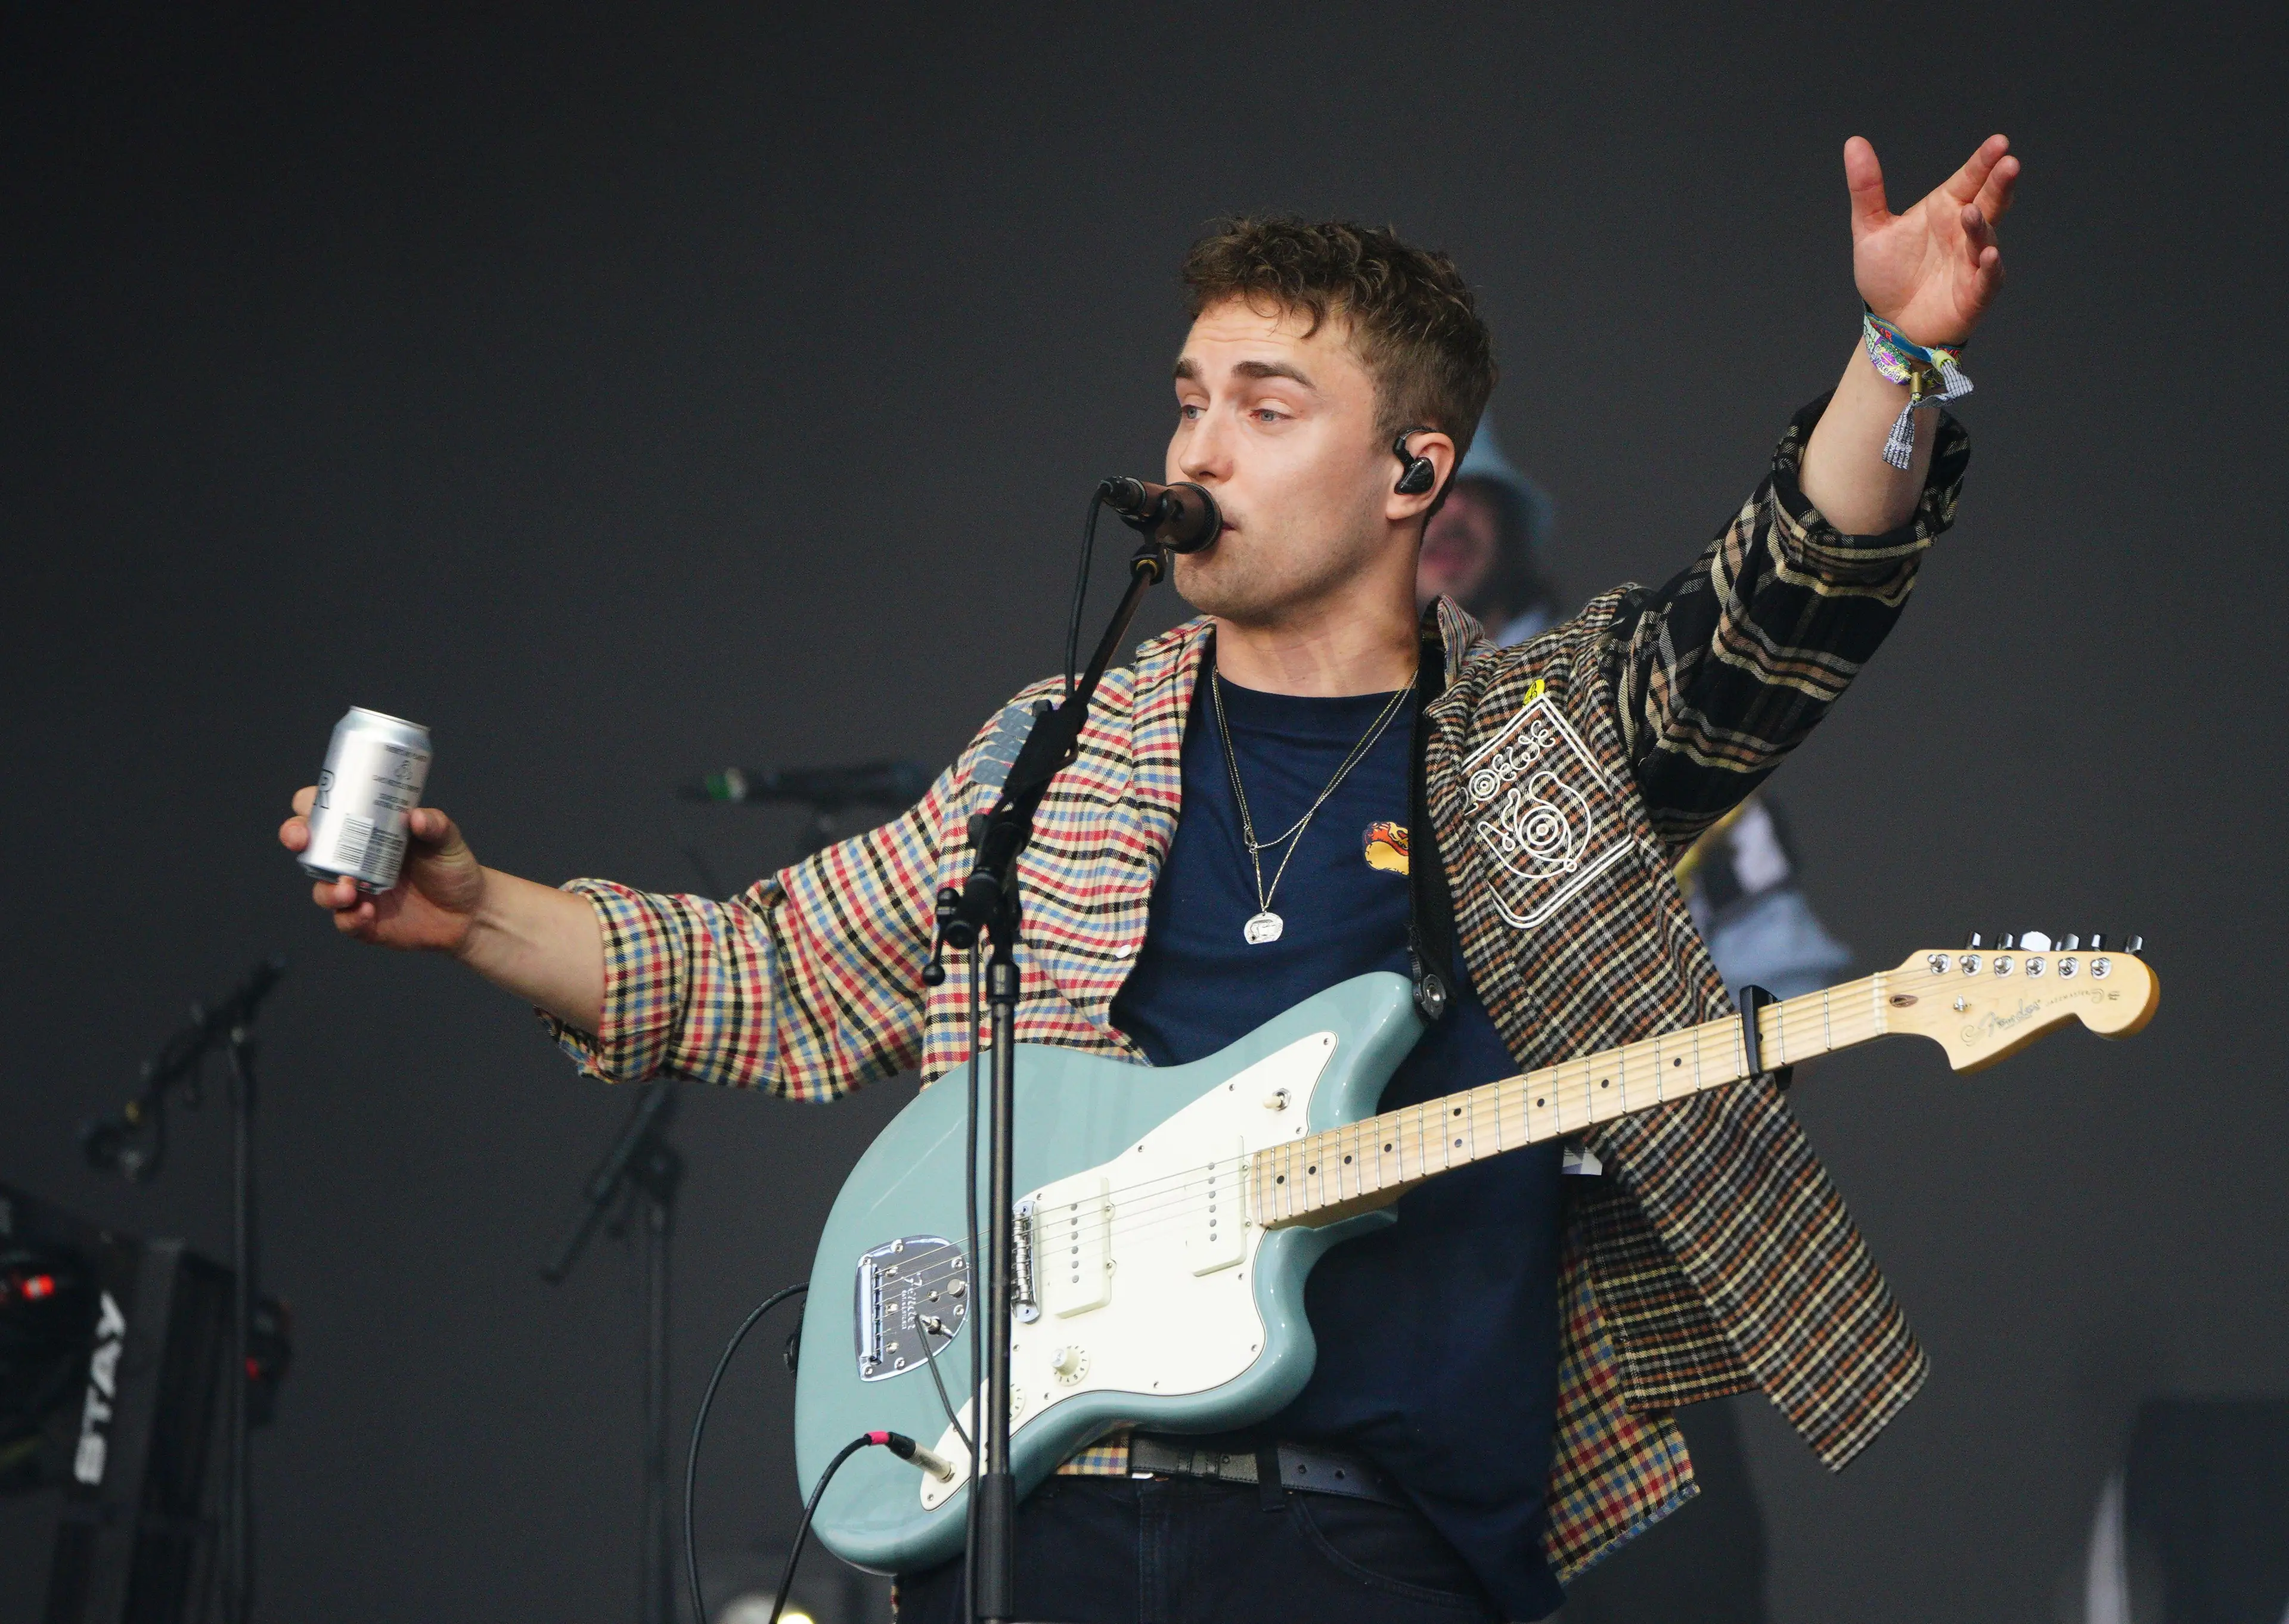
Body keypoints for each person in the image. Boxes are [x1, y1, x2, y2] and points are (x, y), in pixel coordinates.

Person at [280, 134, 2019, 1623]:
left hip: (1377, 1543)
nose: (1196, 451)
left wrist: (1899, 353)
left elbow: (1780, 601)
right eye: (1189, 401)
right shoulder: (1063, 748)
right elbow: (771, 967)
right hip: (1039, 1524)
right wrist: (478, 909)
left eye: (1268, 408)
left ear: (1418, 470)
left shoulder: (1538, 735)